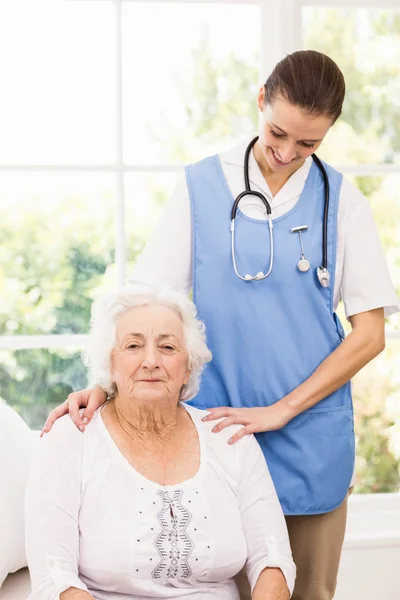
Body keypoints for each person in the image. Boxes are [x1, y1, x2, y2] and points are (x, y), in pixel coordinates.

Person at [42, 50, 399, 600]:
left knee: (307, 592)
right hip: (217, 435)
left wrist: (282, 410)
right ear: (261, 99)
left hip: (307, 436)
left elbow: (370, 333)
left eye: (308, 145)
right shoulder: (201, 187)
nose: (285, 154)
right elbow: (144, 301)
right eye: (277, 132)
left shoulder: (342, 201)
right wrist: (103, 384)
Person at [26, 286, 295, 600]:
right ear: (110, 365)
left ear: (188, 367)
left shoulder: (230, 439)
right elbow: (55, 577)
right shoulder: (71, 439)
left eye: (167, 347)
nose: (151, 361)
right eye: (133, 346)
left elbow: (272, 559)